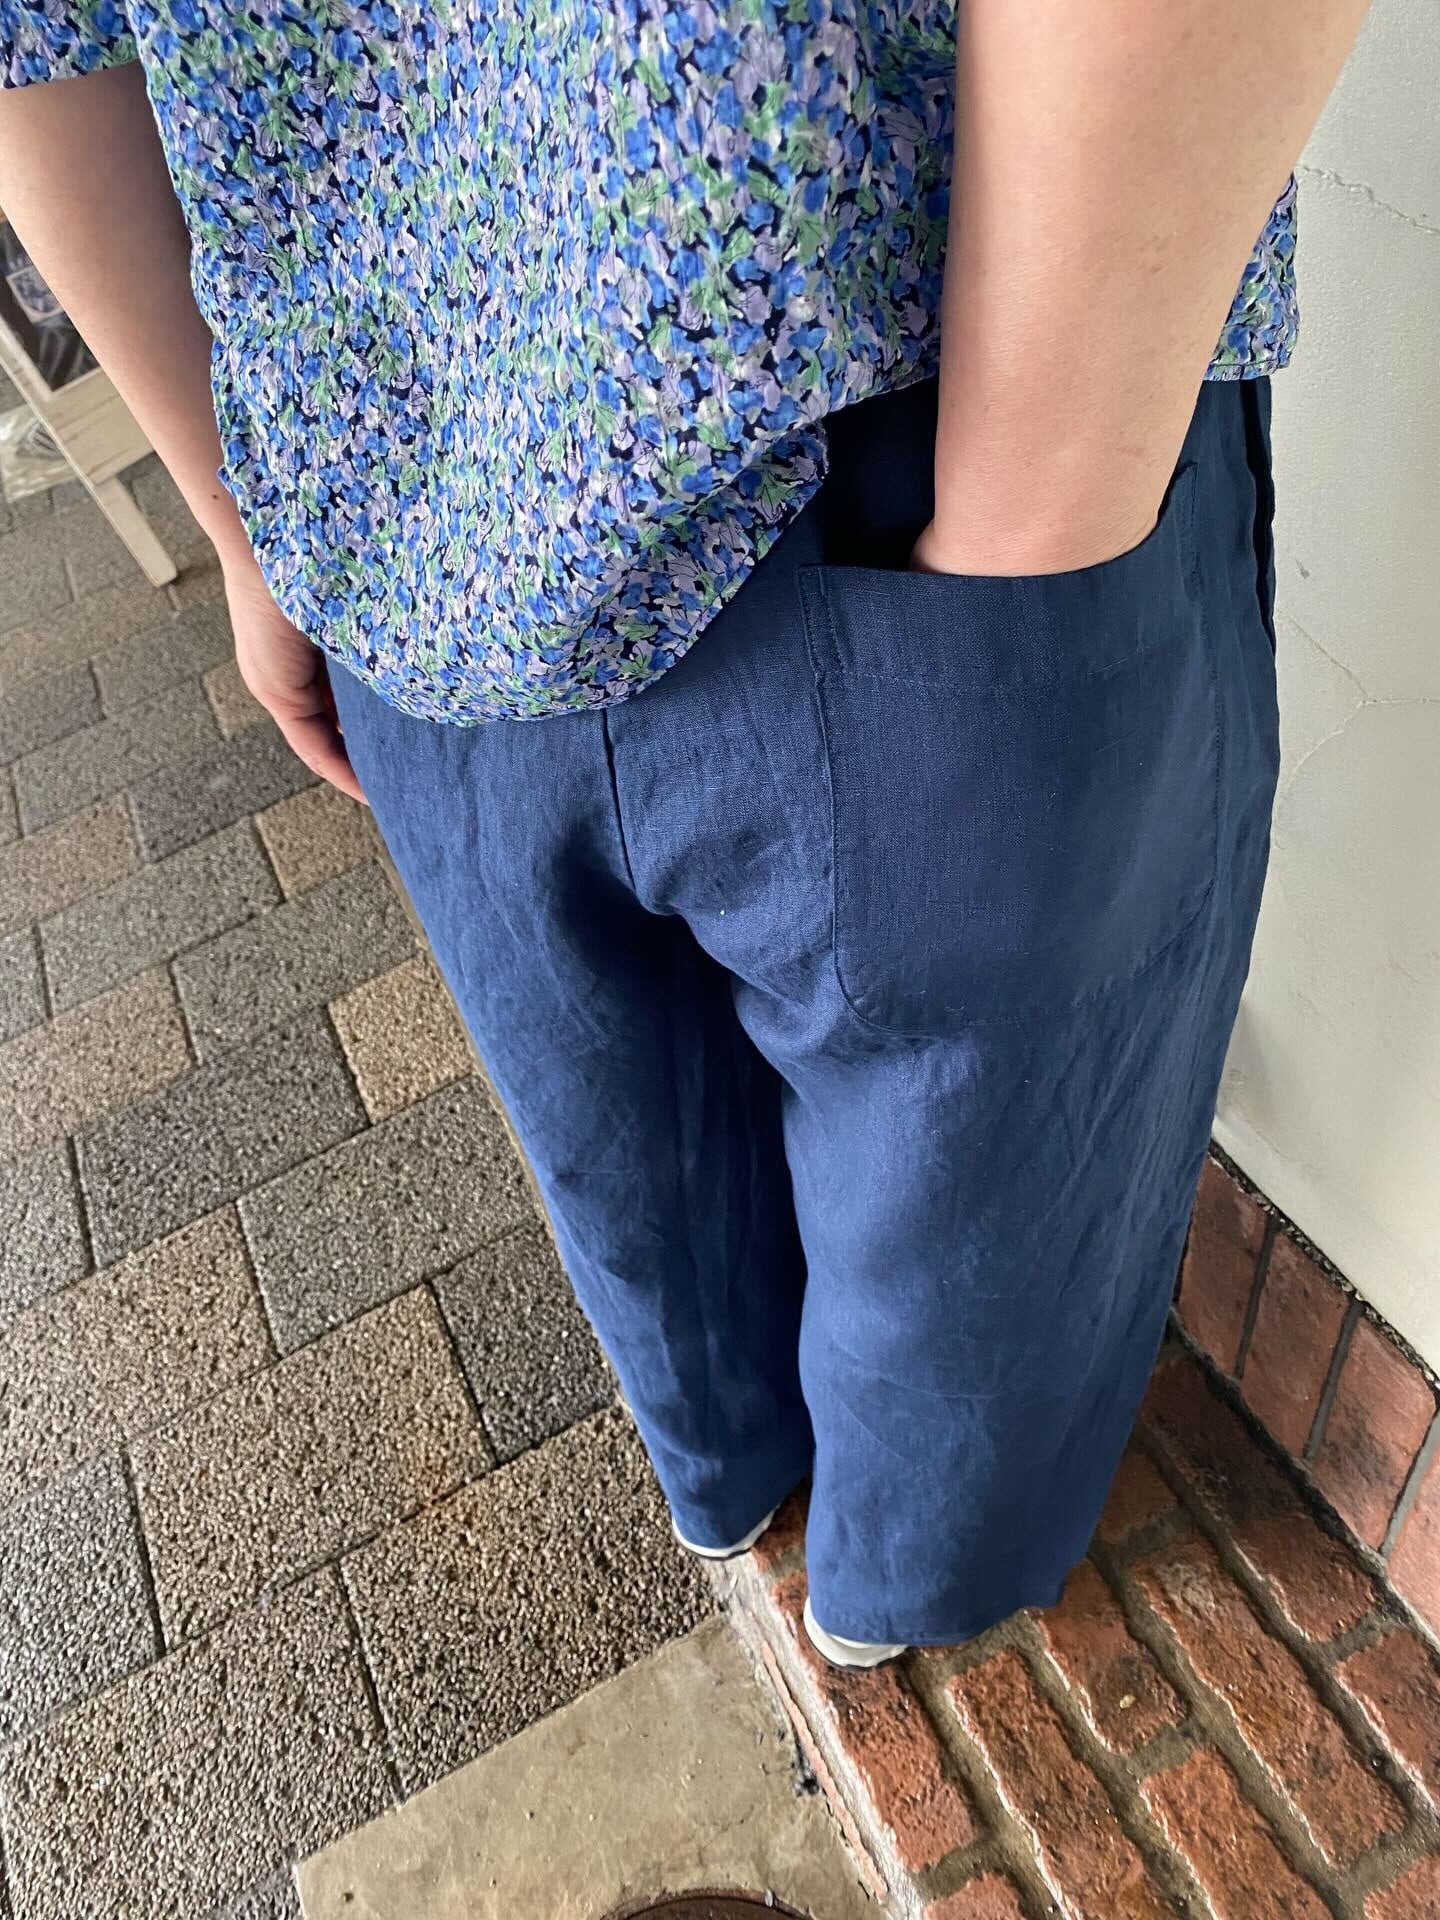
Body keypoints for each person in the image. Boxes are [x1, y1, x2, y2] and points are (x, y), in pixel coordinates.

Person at [0, 0, 1370, 1668]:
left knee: (626, 1151)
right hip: (899, 396)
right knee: (979, 1232)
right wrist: (1042, 526)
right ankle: (893, 1594)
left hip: (411, 512)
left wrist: (240, 522)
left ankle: (727, 1485)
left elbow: (34, 45)